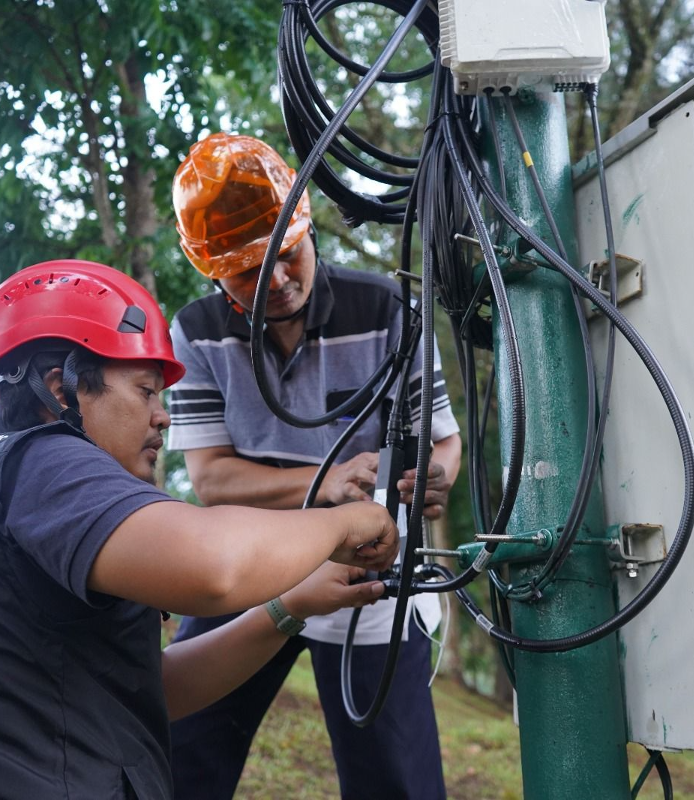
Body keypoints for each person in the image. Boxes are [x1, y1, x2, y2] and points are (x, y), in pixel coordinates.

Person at [0, 260, 399, 800]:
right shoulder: (44, 461)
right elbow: (215, 567)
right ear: (60, 391)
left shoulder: (19, 484)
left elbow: (152, 688)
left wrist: (288, 606)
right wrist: (342, 520)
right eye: (146, 390)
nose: (163, 415)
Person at [166, 133, 462, 799]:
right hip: (251, 563)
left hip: (369, 567)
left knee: (394, 781)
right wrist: (324, 481)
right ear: (212, 271)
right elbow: (211, 477)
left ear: (308, 230)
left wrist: (433, 478)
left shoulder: (389, 310)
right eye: (246, 269)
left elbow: (444, 442)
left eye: (286, 254)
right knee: (180, 755)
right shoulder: (197, 331)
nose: (274, 279)